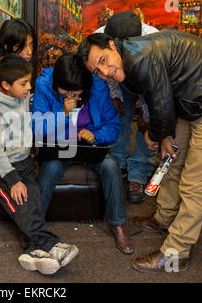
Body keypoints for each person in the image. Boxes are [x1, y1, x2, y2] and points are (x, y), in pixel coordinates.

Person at [76, 30, 202, 272]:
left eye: (103, 61)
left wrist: (155, 134)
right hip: (192, 102)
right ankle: (164, 218)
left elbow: (162, 108)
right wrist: (163, 135)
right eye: (97, 71)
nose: (105, 73)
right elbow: (157, 100)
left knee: (195, 184)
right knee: (172, 161)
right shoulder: (126, 59)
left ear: (113, 45)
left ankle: (176, 253)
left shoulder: (141, 58)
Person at [0, 54, 79, 275]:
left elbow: (25, 126)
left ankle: (33, 252)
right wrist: (12, 180)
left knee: (34, 199)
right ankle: (53, 245)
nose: (28, 88)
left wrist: (29, 151)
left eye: (29, 82)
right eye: (23, 83)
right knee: (21, 203)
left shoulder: (21, 96)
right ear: (5, 86)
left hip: (21, 161)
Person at [32, 53, 133, 255]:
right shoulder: (44, 84)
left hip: (89, 146)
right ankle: (34, 227)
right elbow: (36, 126)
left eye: (75, 91)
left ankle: (118, 224)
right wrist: (62, 113)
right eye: (64, 90)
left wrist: (95, 135)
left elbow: (113, 124)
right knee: (50, 168)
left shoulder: (98, 86)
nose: (70, 95)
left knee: (111, 166)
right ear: (55, 83)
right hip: (59, 144)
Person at [95, 11, 159, 204]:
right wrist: (115, 96)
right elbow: (106, 70)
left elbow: (153, 85)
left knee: (145, 127)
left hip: (146, 80)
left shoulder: (153, 41)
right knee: (118, 116)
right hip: (117, 78)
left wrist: (147, 114)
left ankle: (138, 175)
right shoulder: (99, 37)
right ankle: (118, 164)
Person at [0, 18, 35, 87]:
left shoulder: (22, 61)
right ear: (6, 46)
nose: (30, 52)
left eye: (31, 44)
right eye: (22, 47)